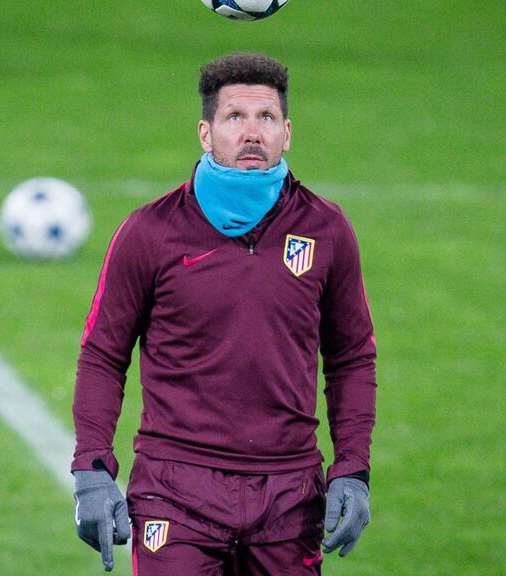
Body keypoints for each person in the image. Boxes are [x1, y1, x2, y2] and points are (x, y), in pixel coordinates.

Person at [71, 52, 377, 575]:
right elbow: (103, 354)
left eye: (267, 118)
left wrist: (352, 468)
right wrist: (92, 470)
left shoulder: (327, 229)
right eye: (235, 117)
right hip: (175, 490)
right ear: (206, 133)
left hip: (290, 493)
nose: (252, 133)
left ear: (287, 133)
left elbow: (352, 358)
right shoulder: (150, 232)